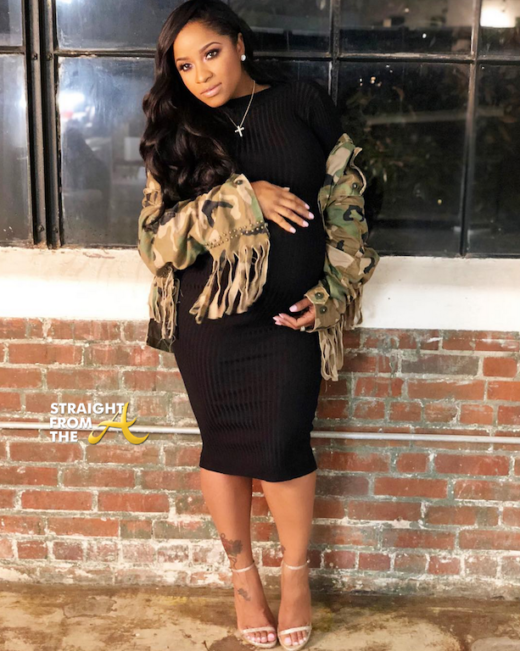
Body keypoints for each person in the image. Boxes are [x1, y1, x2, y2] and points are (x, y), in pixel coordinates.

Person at [138, 1, 375, 649]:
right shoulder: (177, 129)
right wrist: (245, 198)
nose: (201, 75)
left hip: (288, 318)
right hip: (210, 323)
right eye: (185, 65)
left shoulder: (301, 103)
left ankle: (296, 578)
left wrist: (336, 292)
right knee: (224, 449)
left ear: (240, 44)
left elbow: (346, 201)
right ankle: (244, 580)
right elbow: (155, 242)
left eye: (211, 54)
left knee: (284, 449)